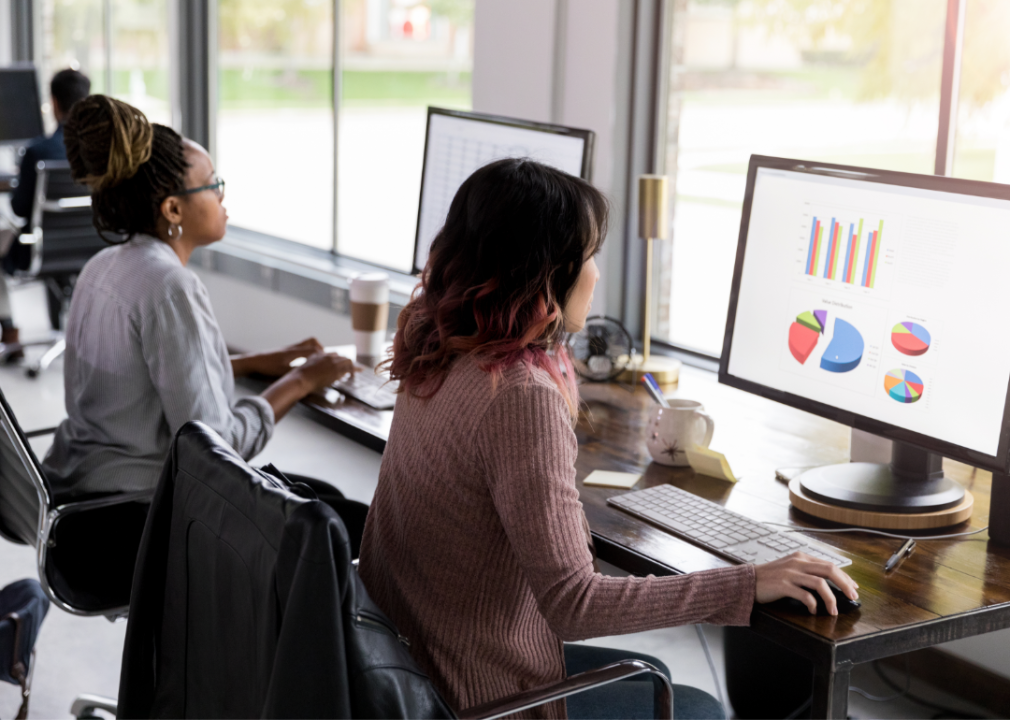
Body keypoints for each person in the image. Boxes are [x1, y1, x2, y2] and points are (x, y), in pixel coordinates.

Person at [358, 158, 859, 720]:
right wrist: (745, 583)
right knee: (699, 709)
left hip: (403, 667)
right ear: (544, 273)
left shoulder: (437, 338)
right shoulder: (518, 395)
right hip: (478, 696)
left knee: (661, 678)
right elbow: (574, 604)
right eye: (588, 255)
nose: (596, 273)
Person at [41, 95, 355, 503]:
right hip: (136, 513)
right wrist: (300, 381)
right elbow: (218, 448)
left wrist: (253, 363)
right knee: (330, 505)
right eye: (213, 183)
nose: (222, 196)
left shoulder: (101, 266)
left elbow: (139, 380)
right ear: (173, 209)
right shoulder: (169, 286)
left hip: (78, 498)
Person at [0, 69, 91, 356]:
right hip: (93, 246)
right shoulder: (99, 150)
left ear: (53, 103)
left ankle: (10, 330)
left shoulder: (38, 152)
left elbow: (19, 210)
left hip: (39, 251)